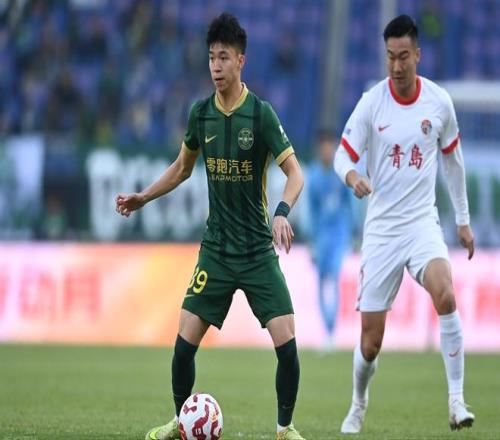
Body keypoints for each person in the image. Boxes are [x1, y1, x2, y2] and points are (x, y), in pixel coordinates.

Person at [115, 13, 306, 440]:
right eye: (211, 58)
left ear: (241, 60)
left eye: (224, 57)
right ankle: (181, 421)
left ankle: (284, 428)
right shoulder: (201, 114)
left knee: (287, 345)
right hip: (216, 250)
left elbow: (295, 173)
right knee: (183, 345)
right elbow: (182, 168)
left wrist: (281, 211)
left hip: (257, 251)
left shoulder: (260, 114)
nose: (216, 66)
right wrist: (144, 196)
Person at [333, 15, 475, 434]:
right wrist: (353, 176)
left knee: (446, 292)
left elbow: (453, 163)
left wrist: (463, 221)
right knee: (371, 341)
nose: (396, 66)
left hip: (421, 224)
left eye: (403, 57)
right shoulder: (372, 103)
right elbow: (342, 155)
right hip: (381, 231)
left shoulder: (439, 103)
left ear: (418, 55)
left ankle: (456, 401)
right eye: (390, 57)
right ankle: (358, 402)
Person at [306, 131, 354, 351]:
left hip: (338, 234)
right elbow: (311, 210)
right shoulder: (314, 176)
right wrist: (311, 240)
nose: (327, 151)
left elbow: (350, 204)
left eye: (330, 146)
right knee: (320, 282)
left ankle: (332, 330)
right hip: (321, 237)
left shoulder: (341, 172)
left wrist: (354, 233)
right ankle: (326, 329)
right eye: (323, 147)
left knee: (333, 280)